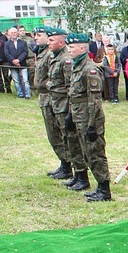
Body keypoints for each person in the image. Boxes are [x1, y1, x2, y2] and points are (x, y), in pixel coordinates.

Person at [65, 33, 112, 201]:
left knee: (95, 152)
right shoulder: (76, 66)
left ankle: (104, 188)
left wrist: (92, 124)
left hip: (89, 117)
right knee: (86, 151)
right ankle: (97, 185)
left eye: (72, 47)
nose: (68, 50)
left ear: (83, 48)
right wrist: (71, 114)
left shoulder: (89, 69)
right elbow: (73, 94)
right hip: (79, 115)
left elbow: (94, 100)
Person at [46, 27, 88, 186]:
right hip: (58, 104)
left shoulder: (66, 60)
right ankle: (75, 172)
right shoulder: (56, 57)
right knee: (66, 139)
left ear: (61, 41)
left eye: (52, 40)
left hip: (66, 105)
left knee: (73, 140)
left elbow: (71, 87)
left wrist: (70, 110)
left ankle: (81, 174)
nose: (48, 43)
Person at [33, 26, 68, 179]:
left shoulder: (50, 54)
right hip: (45, 97)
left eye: (39, 35)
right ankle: (64, 163)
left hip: (52, 97)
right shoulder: (42, 53)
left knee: (57, 133)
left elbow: (55, 78)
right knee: (52, 134)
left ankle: (67, 165)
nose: (35, 37)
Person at [3, 27, 31, 99]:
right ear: (9, 34)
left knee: (25, 80)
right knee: (16, 81)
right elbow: (7, 54)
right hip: (12, 65)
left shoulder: (23, 42)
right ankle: (20, 94)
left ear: (17, 33)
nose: (13, 34)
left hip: (22, 64)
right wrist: (13, 61)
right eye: (12, 33)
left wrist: (18, 60)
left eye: (15, 32)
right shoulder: (7, 43)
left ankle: (27, 95)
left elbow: (25, 52)